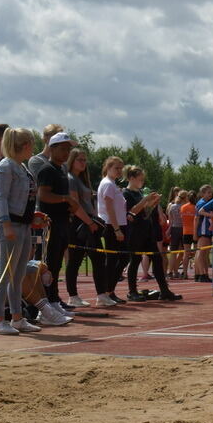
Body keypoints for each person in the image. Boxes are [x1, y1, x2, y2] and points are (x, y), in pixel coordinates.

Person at [0, 128, 71, 334]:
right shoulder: (6, 166)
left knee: (18, 274)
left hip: (24, 224)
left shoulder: (22, 167)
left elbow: (25, 198)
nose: (33, 148)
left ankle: (17, 317)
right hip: (11, 225)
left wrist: (34, 216)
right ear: (25, 145)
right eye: (32, 144)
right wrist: (6, 223)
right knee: (4, 273)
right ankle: (0, 319)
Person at [37, 132, 96, 315]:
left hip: (63, 224)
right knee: (50, 264)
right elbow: (43, 195)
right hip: (50, 225)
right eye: (62, 149)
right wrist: (66, 200)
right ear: (52, 148)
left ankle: (54, 300)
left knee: (56, 265)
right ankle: (46, 303)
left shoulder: (61, 171)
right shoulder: (47, 170)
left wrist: (69, 206)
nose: (66, 153)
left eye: (68, 149)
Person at [0, 230, 73, 328]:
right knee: (18, 273)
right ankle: (46, 311)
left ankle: (45, 311)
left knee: (26, 272)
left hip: (2, 300)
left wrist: (39, 266)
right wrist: (40, 265)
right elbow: (12, 267)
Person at [121, 165, 181, 301]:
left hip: (147, 231)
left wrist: (153, 204)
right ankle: (132, 291)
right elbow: (131, 212)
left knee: (158, 259)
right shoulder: (126, 193)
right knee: (135, 260)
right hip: (134, 232)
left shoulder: (141, 193)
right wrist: (145, 201)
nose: (142, 182)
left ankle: (164, 290)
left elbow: (145, 214)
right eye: (140, 179)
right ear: (131, 178)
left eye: (143, 180)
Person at [64, 148, 114, 308]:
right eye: (80, 159)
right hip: (80, 224)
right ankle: (73, 296)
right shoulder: (70, 178)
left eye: (85, 160)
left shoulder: (83, 179)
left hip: (89, 223)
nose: (83, 163)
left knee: (98, 258)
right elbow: (74, 204)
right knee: (75, 260)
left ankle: (101, 295)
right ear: (71, 160)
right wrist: (89, 222)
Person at [96, 156, 128, 303]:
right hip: (111, 225)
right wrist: (116, 229)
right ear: (108, 168)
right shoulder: (108, 184)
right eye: (116, 168)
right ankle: (107, 292)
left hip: (117, 224)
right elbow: (109, 208)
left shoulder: (112, 184)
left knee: (120, 259)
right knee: (114, 260)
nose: (119, 171)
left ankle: (110, 291)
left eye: (121, 168)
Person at [193, 184, 213, 283]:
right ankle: (202, 274)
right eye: (208, 192)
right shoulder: (202, 203)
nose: (210, 194)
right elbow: (196, 218)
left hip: (205, 230)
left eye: (211, 192)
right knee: (202, 253)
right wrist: (195, 233)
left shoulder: (206, 202)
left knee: (201, 252)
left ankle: (198, 273)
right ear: (202, 193)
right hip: (203, 230)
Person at [165, 187, 184, 279]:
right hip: (177, 228)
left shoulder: (183, 205)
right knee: (175, 251)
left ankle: (174, 269)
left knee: (180, 252)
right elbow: (169, 219)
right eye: (175, 192)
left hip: (177, 229)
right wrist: (169, 229)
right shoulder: (171, 205)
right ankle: (171, 271)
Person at [179, 190, 196, 280]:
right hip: (194, 232)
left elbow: (182, 219)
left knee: (186, 253)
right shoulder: (196, 207)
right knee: (197, 252)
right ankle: (198, 272)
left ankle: (185, 272)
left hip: (185, 232)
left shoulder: (183, 207)